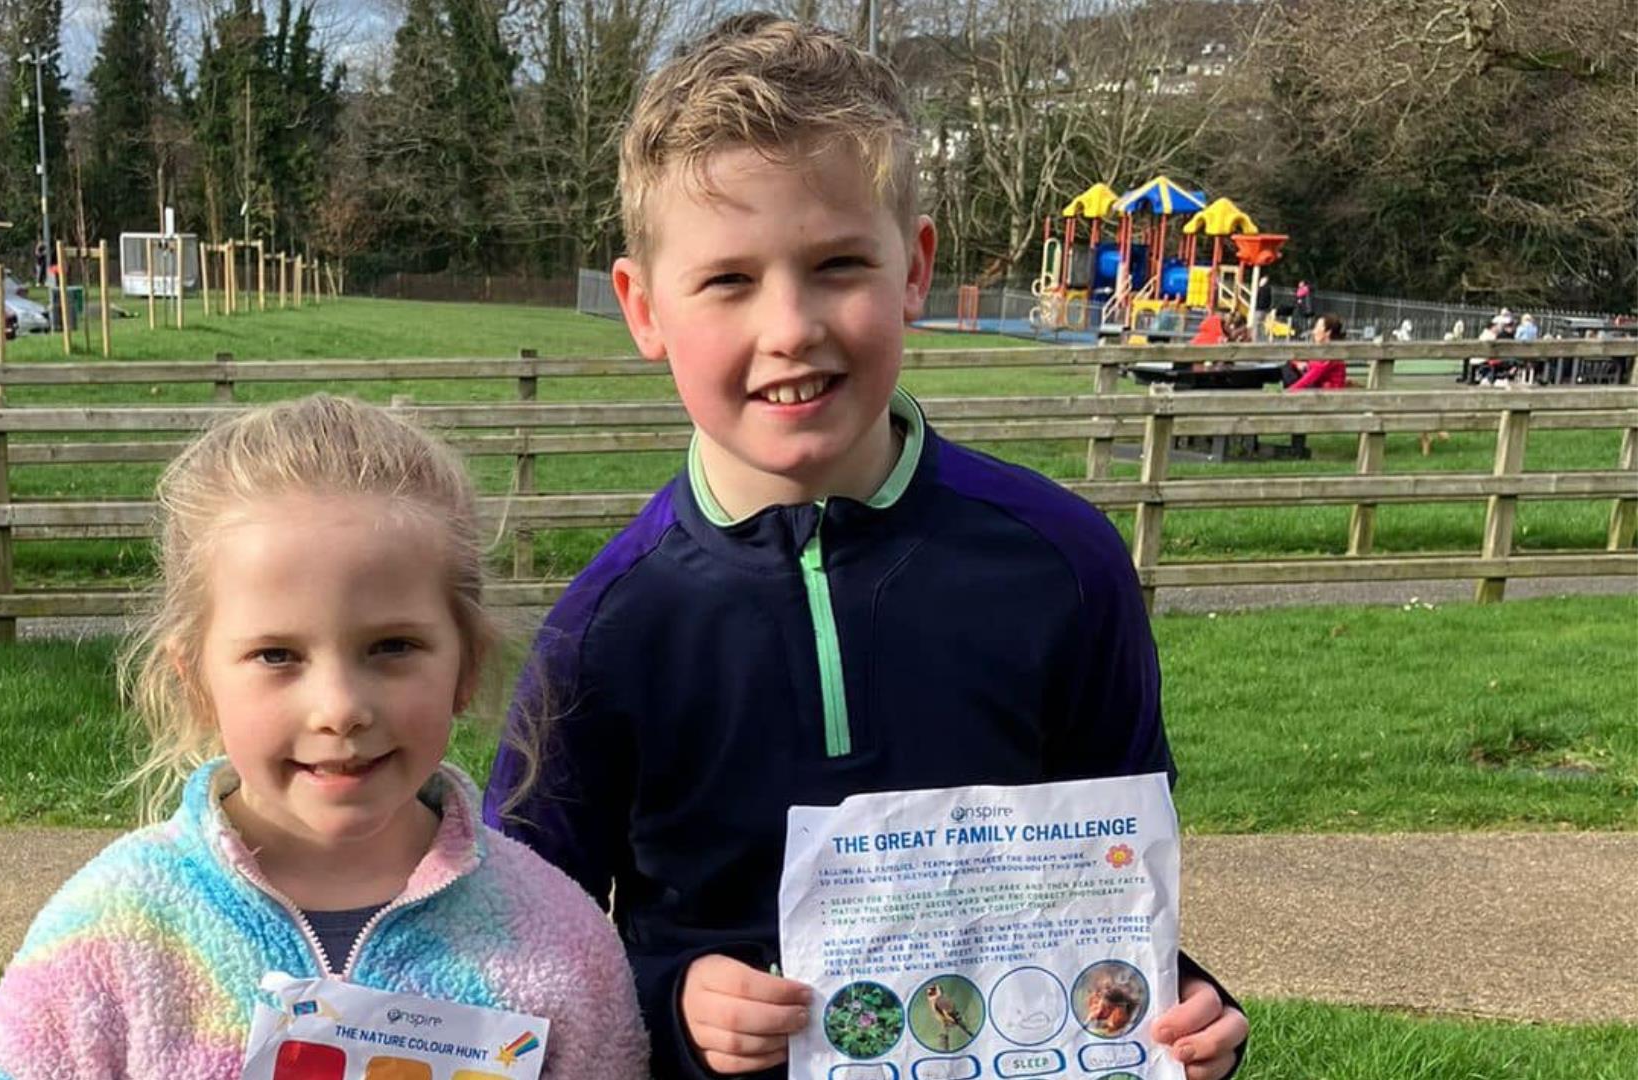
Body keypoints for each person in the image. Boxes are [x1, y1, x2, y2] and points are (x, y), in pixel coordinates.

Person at [484, 15, 1248, 1080]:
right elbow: (515, 954)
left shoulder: (1063, 563)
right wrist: (675, 998)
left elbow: (1116, 875)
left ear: (915, 269)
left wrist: (1182, 1007)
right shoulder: (605, 630)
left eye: (838, 263)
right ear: (643, 307)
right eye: (729, 281)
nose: (791, 325)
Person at [0, 396, 648, 1079]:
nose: (340, 709)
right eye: (276, 655)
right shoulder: (107, 937)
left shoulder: (558, 941)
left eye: (392, 646)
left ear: (465, 666)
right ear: (197, 681)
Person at [1286, 313, 1348, 391]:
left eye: (1317, 328)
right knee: (1288, 367)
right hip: (1320, 388)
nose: (1314, 332)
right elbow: (1298, 358)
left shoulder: (1330, 353)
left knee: (1290, 372)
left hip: (1328, 396)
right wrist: (1298, 363)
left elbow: (1310, 377)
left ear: (1328, 332)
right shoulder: (1322, 350)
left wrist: (1288, 392)